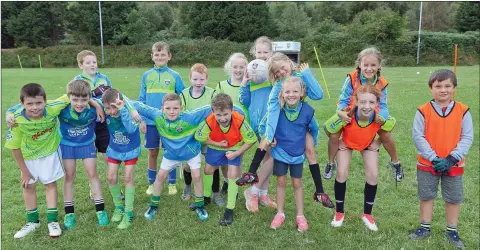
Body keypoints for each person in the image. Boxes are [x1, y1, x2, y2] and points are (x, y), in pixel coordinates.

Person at [238, 52, 334, 209]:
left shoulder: (301, 79)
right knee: (275, 157)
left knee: (309, 151)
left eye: (282, 68)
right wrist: (270, 133)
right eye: (277, 72)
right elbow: (273, 110)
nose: (281, 72)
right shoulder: (278, 87)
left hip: (300, 123)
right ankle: (254, 189)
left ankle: (320, 192)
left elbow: (318, 95)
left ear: (289, 63)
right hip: (281, 124)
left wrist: (307, 74)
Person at [409, 69, 473, 249]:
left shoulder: (463, 110)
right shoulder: (422, 111)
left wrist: (452, 159)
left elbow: (467, 137)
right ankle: (424, 227)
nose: (443, 90)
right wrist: (434, 158)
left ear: (454, 88)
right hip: (427, 163)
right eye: (438, 86)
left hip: (454, 164)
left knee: (453, 197)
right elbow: (418, 136)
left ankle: (452, 230)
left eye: (447, 86)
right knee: (426, 195)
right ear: (431, 88)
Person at [323, 47, 403, 184]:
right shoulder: (352, 78)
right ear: (359, 65)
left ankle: (396, 163)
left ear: (379, 66)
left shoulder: (382, 83)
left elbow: (383, 105)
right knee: (333, 133)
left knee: (386, 133)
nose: (369, 68)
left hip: (371, 112)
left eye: (373, 65)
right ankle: (331, 163)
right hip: (349, 111)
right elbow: (342, 99)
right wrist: (341, 112)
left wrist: (381, 117)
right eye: (366, 65)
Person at [5, 83, 71, 238]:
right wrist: (25, 172)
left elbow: (72, 94)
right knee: (28, 186)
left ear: (45, 101)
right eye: (29, 104)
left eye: (39, 103)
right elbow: (15, 148)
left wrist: (97, 104)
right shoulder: (17, 120)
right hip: (28, 157)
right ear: (22, 104)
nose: (35, 107)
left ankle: (52, 221)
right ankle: (33, 221)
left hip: (50, 153)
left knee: (50, 185)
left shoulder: (53, 107)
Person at [74, 50, 140, 200]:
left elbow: (115, 97)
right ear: (80, 65)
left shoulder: (104, 78)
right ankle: (93, 187)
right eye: (88, 62)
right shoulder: (78, 80)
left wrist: (131, 109)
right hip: (87, 124)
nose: (92, 64)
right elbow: (78, 97)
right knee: (90, 158)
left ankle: (116, 185)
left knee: (107, 155)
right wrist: (96, 105)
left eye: (94, 61)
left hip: (104, 123)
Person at [137, 93, 212, 222]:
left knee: (197, 176)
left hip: (191, 152)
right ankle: (153, 206)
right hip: (171, 154)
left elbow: (215, 106)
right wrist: (129, 108)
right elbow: (137, 105)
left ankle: (200, 205)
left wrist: (234, 109)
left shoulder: (191, 117)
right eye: (168, 108)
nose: (171, 112)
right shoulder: (157, 116)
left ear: (181, 108)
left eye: (175, 108)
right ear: (162, 109)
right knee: (160, 177)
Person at [330, 84, 389, 232]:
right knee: (342, 172)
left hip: (367, 143)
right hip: (348, 142)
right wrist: (339, 143)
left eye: (371, 102)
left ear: (377, 104)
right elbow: (329, 129)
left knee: (373, 174)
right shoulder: (346, 113)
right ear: (356, 101)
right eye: (363, 102)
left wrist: (378, 141)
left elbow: (387, 132)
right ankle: (339, 212)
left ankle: (367, 214)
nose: (367, 106)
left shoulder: (380, 117)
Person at [195, 94, 257, 225]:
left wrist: (237, 153)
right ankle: (206, 197)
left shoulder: (239, 120)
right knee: (208, 169)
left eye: (226, 114)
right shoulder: (209, 120)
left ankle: (229, 209)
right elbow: (199, 137)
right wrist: (217, 144)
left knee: (232, 173)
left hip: (235, 147)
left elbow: (251, 140)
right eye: (218, 115)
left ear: (232, 110)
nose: (222, 118)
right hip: (216, 146)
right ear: (213, 112)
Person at [269, 76, 319, 232]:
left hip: (297, 153)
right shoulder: (277, 107)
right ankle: (280, 213)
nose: (291, 95)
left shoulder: (307, 110)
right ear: (282, 93)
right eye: (288, 91)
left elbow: (314, 128)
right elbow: (266, 124)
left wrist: (312, 142)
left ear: (302, 92)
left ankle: (300, 215)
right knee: (281, 182)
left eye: (295, 91)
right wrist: (270, 137)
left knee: (297, 183)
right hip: (280, 152)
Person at [58, 79, 109, 229]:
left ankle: (100, 211)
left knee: (92, 174)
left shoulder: (95, 108)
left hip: (87, 144)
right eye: (75, 100)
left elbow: (117, 101)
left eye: (84, 100)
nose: (79, 103)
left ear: (89, 98)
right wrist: (10, 113)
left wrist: (96, 104)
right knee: (69, 176)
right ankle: (69, 213)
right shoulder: (61, 108)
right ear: (69, 98)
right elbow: (37, 105)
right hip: (67, 145)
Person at [138, 41, 185, 196]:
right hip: (151, 122)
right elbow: (141, 100)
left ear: (169, 56)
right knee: (153, 152)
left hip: (169, 122)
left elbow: (182, 97)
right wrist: (142, 120)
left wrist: (179, 116)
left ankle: (172, 183)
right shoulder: (146, 75)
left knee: (170, 151)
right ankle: (151, 183)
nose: (160, 57)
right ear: (152, 57)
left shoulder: (175, 76)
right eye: (156, 54)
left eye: (163, 54)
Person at [237, 36, 277, 212]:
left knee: (269, 158)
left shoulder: (273, 73)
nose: (262, 55)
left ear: (271, 53)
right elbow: (245, 101)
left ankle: (261, 193)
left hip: (273, 121)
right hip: (259, 123)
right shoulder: (252, 73)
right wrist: (244, 84)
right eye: (259, 52)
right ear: (254, 53)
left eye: (265, 52)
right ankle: (254, 192)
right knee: (271, 158)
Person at [180, 63, 225, 206]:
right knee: (188, 166)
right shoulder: (184, 94)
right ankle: (187, 187)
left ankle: (216, 194)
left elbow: (217, 113)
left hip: (209, 136)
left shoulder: (212, 94)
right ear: (190, 79)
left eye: (201, 79)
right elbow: (181, 115)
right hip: (191, 137)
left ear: (206, 79)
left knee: (213, 164)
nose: (198, 83)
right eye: (195, 79)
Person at [102, 89, 142, 230]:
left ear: (121, 103)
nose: (112, 111)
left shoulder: (130, 112)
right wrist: (98, 107)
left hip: (130, 150)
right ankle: (118, 207)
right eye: (108, 108)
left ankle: (128, 212)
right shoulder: (105, 111)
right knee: (111, 178)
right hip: (114, 149)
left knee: (128, 178)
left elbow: (131, 129)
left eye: (114, 106)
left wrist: (124, 109)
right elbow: (93, 99)